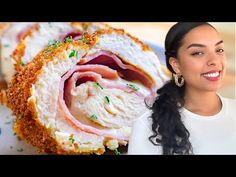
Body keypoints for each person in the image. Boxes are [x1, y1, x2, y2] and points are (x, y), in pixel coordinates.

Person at [128, 22, 236, 155]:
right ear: (176, 65)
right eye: (198, 53)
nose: (214, 60)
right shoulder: (146, 125)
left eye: (219, 50)